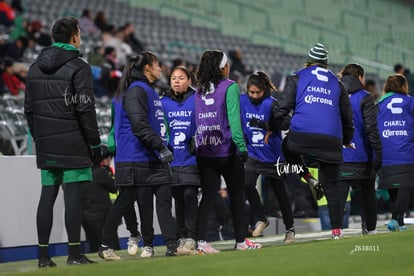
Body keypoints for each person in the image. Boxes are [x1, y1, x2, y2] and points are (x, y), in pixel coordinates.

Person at [24, 17, 101, 266]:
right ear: (74, 36)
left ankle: (43, 257)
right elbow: (85, 109)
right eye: (79, 32)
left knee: (47, 196)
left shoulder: (34, 67)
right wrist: (94, 143)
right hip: (73, 143)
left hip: (47, 144)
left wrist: (40, 137)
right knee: (73, 199)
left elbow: (28, 110)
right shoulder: (80, 66)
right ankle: (74, 254)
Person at [98, 51, 178, 261]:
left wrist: (161, 146)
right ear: (147, 68)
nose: (161, 68)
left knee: (163, 199)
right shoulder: (136, 91)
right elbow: (139, 125)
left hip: (150, 156)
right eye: (157, 64)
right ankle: (107, 244)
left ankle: (172, 244)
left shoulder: (147, 90)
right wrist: (160, 147)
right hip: (136, 157)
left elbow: (155, 124)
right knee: (126, 201)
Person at [271, 43, 354, 239]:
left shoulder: (298, 76)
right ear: (326, 64)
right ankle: (336, 231)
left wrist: (274, 125)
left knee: (287, 147)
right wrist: (346, 140)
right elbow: (347, 117)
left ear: (308, 61)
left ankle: (308, 177)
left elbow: (282, 107)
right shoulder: (337, 83)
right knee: (332, 186)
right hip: (332, 140)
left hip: (302, 137)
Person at [194, 50, 261, 254]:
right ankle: (240, 241)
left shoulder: (199, 89)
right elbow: (233, 118)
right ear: (223, 67)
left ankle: (201, 243)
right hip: (226, 149)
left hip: (204, 150)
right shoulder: (230, 86)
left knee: (207, 197)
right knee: (237, 196)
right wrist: (241, 146)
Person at [240, 71, 295, 242]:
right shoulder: (241, 101)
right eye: (252, 92)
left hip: (273, 156)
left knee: (280, 194)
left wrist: (267, 125)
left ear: (264, 90)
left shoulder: (272, 103)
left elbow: (287, 121)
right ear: (247, 90)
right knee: (247, 184)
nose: (255, 96)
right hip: (253, 153)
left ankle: (290, 229)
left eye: (258, 93)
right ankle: (261, 218)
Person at [338, 63, 382, 235]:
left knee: (339, 198)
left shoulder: (335, 96)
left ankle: (336, 231)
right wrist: (378, 153)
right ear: (361, 77)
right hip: (362, 156)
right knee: (367, 195)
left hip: (340, 156)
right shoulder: (365, 97)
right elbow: (371, 129)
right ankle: (369, 228)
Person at [161, 66, 199, 254]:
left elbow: (206, 122)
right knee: (178, 199)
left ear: (189, 81)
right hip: (172, 160)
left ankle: (192, 236)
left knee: (190, 196)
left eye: (181, 78)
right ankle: (183, 235)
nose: (176, 81)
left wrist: (198, 140)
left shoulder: (197, 99)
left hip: (191, 158)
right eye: (173, 78)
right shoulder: (163, 102)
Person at [377, 74, 414, 231]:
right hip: (405, 152)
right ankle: (394, 219)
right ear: (404, 86)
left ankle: (400, 223)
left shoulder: (379, 104)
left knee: (393, 186)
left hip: (385, 153)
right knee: (405, 186)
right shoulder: (410, 101)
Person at [82, 145, 120, 253]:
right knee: (111, 245)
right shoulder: (100, 172)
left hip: (86, 215)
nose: (109, 160)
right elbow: (114, 187)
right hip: (103, 214)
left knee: (94, 245)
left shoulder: (83, 173)